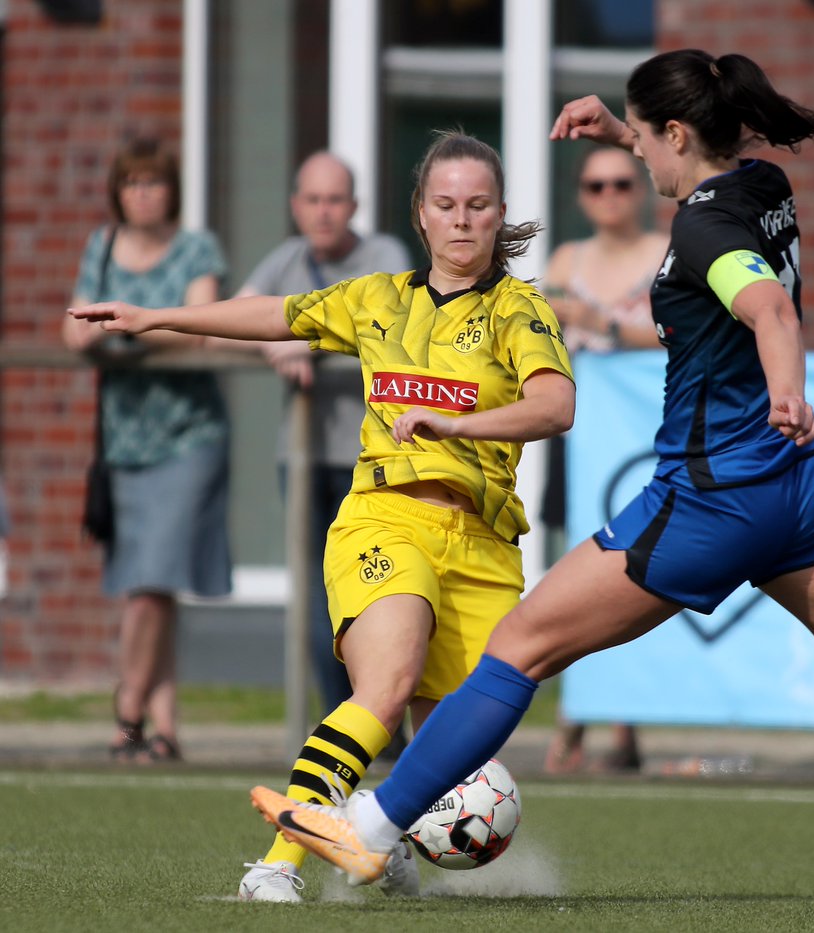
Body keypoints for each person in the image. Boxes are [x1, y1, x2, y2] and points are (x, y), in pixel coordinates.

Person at [254, 50, 814, 914]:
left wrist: (788, 389)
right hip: (806, 489)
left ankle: (368, 826)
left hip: (716, 494)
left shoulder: (704, 228)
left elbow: (763, 305)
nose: (633, 151)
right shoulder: (764, 187)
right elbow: (721, 199)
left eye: (643, 137)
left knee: (518, 649)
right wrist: (617, 126)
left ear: (678, 134)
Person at [70, 131, 575, 904]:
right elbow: (279, 312)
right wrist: (157, 316)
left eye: (478, 205)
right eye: (446, 205)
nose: (462, 220)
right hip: (385, 521)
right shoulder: (378, 298)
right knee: (386, 682)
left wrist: (461, 427)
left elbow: (555, 403)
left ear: (500, 212)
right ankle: (275, 865)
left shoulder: (518, 309)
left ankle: (386, 832)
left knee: (453, 734)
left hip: (482, 545)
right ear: (421, 215)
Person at [61, 137, 232, 764]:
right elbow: (71, 328)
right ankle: (165, 724)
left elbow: (201, 328)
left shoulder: (196, 248)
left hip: (189, 434)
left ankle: (126, 709)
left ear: (172, 191)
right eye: (131, 182)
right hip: (123, 440)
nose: (142, 193)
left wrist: (134, 327)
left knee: (153, 579)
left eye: (154, 182)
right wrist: (125, 332)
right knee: (147, 585)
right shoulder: (102, 246)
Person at [233, 151, 412, 715]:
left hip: (374, 455)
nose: (324, 212)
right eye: (313, 200)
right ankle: (344, 724)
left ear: (354, 206)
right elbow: (239, 312)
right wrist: (270, 342)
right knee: (316, 598)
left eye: (335, 199)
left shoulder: (383, 255)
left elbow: (388, 326)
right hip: (305, 455)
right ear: (295, 207)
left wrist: (301, 339)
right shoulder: (285, 261)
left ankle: (383, 722)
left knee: (379, 595)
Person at [539, 145, 667, 775]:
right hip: (582, 441)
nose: (608, 196)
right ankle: (573, 718)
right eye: (595, 187)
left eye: (620, 183)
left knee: (635, 578)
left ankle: (624, 719)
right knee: (571, 578)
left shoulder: (667, 254)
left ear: (640, 189)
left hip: (647, 439)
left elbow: (683, 330)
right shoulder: (567, 259)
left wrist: (603, 324)